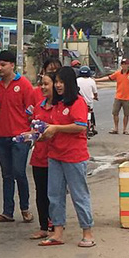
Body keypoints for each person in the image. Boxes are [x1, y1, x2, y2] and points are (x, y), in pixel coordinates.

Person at [38, 67, 96, 247]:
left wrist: (56, 129)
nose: (58, 85)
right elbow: (53, 126)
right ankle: (57, 233)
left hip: (74, 156)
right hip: (54, 155)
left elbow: (80, 126)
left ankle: (87, 233)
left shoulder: (78, 102)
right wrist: (43, 132)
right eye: (56, 82)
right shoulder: (57, 104)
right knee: (54, 195)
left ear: (69, 83)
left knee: (79, 195)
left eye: (61, 82)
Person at [0, 50, 39, 223]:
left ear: (12, 65)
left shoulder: (24, 85)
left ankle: (25, 208)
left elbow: (32, 111)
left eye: (3, 65)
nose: (0, 68)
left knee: (19, 172)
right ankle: (7, 211)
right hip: (2, 137)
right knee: (6, 175)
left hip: (21, 137)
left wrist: (31, 134)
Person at [29, 72, 56, 240]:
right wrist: (27, 135)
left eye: (47, 84)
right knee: (40, 193)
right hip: (39, 156)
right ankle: (43, 227)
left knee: (54, 194)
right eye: (42, 84)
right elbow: (34, 128)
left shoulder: (60, 107)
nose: (43, 87)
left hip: (55, 157)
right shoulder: (38, 106)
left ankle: (56, 225)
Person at [95, 58, 129, 135]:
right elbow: (108, 78)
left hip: (127, 98)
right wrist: (97, 80)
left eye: (125, 64)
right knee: (115, 113)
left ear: (128, 65)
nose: (124, 65)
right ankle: (116, 128)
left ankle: (125, 129)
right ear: (121, 65)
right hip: (118, 97)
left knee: (126, 114)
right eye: (123, 64)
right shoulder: (117, 73)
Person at [76, 66, 98, 136]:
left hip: (79, 102)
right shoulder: (92, 81)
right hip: (89, 103)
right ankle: (92, 126)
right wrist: (96, 97)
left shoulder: (77, 80)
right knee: (91, 113)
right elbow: (95, 92)